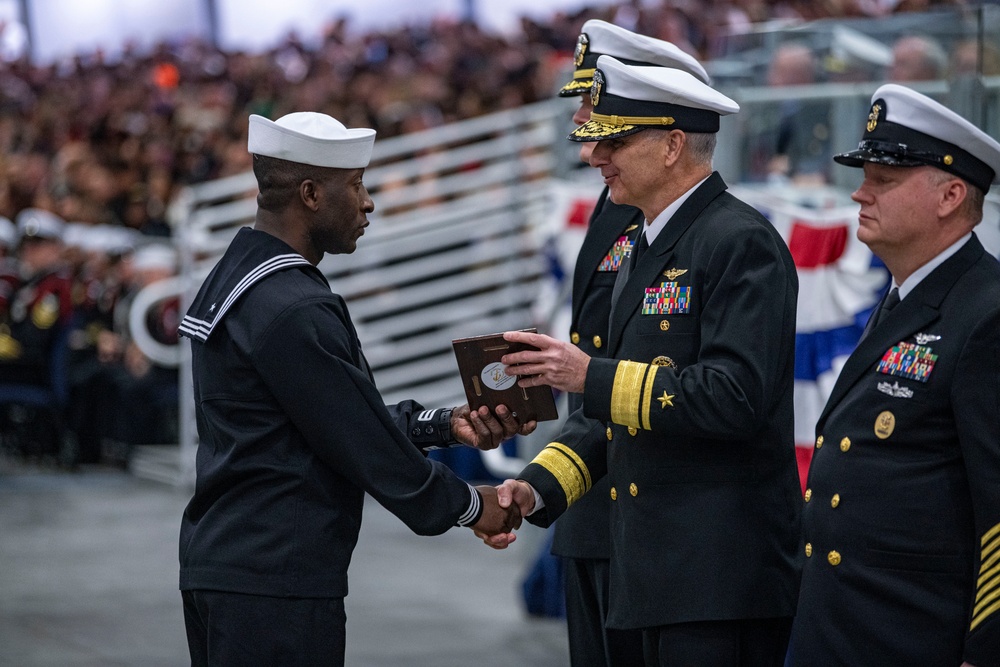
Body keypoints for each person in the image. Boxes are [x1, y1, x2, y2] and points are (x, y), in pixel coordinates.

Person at [176, 111, 532, 666]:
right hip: (276, 578)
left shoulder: (241, 275)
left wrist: (440, 424)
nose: (367, 202)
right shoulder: (293, 304)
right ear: (313, 193)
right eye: (357, 184)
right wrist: (468, 505)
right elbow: (355, 439)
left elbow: (317, 421)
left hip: (231, 561)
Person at [486, 56, 803, 665]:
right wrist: (533, 491)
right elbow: (614, 417)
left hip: (719, 580)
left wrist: (587, 375)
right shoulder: (645, 243)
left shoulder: (741, 242)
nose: (593, 156)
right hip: (653, 570)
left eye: (615, 140)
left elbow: (733, 397)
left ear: (672, 145)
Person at [786, 84, 1000, 666]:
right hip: (842, 624)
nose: (860, 193)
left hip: (912, 635)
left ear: (951, 195)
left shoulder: (986, 313)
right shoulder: (908, 295)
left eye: (884, 180)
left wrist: (985, 652)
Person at [551, 19, 710, 667]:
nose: (588, 130)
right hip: (592, 495)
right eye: (593, 106)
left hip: (650, 511)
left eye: (604, 111)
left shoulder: (701, 231)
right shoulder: (616, 205)